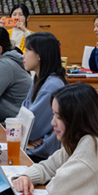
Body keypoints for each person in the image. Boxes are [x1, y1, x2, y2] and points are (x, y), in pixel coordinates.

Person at [21, 32, 68, 160]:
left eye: (27, 51)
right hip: (32, 148)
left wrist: (27, 136)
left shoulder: (52, 86)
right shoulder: (39, 79)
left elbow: (31, 130)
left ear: (39, 55)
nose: (23, 55)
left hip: (42, 155)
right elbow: (22, 115)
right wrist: (26, 135)